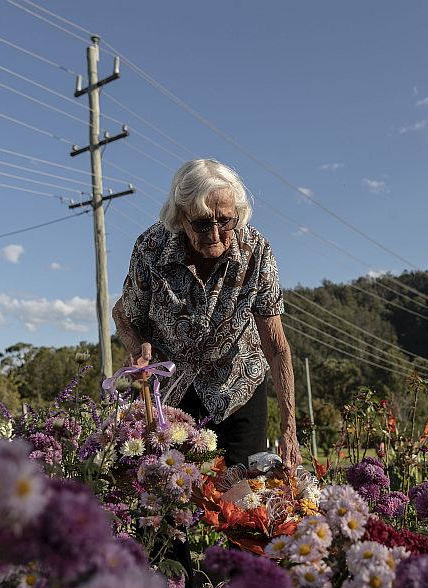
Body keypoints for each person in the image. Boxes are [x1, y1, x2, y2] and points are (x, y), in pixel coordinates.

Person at [112, 158, 302, 471]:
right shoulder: (151, 248)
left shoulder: (256, 251)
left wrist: (289, 429)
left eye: (225, 221)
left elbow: (277, 347)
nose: (214, 233)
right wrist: (138, 347)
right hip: (174, 395)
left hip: (238, 387)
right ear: (180, 217)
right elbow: (125, 315)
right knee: (176, 494)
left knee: (243, 498)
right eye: (201, 223)